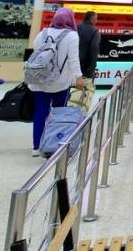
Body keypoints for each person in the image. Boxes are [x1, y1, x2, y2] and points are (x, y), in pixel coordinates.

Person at [27, 8, 84, 156]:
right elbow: (73, 59)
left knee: (40, 111)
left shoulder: (42, 33)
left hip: (39, 79)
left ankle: (36, 146)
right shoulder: (72, 35)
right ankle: (55, 143)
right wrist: (78, 77)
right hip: (60, 82)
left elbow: (36, 53)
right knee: (59, 113)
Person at [77, 11, 100, 80]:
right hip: (86, 66)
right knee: (86, 85)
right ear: (92, 19)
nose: (96, 20)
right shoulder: (94, 31)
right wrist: (92, 67)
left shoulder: (75, 27)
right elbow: (94, 49)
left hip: (72, 63)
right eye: (96, 18)